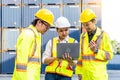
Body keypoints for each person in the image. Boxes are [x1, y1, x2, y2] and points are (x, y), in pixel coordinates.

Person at [12, 8, 54, 80]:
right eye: (46, 26)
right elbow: (21, 62)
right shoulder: (28, 35)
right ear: (39, 22)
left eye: (48, 27)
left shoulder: (37, 35)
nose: (47, 29)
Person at [75, 9, 114, 80]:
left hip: (98, 77)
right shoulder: (82, 36)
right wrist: (79, 72)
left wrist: (96, 51)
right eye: (83, 25)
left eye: (87, 24)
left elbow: (110, 55)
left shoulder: (103, 35)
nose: (85, 27)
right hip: (85, 77)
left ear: (94, 21)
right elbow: (80, 56)